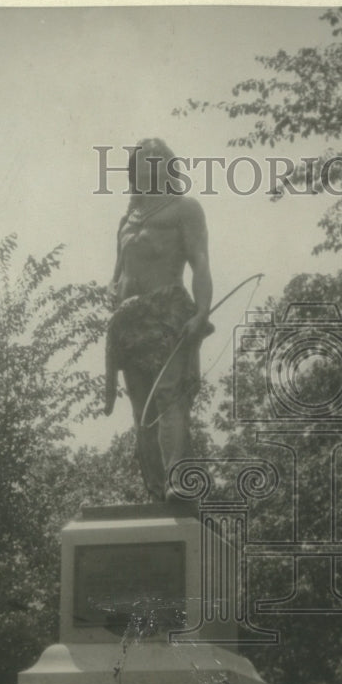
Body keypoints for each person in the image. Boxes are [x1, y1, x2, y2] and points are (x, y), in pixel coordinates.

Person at [104, 138, 213, 501]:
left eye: (155, 159)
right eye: (141, 160)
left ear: (168, 166)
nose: (147, 165)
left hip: (169, 313)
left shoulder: (185, 209)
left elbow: (200, 261)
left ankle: (178, 482)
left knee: (169, 397)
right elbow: (117, 271)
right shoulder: (126, 219)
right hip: (130, 324)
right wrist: (111, 290)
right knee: (141, 411)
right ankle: (154, 492)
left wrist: (202, 311)